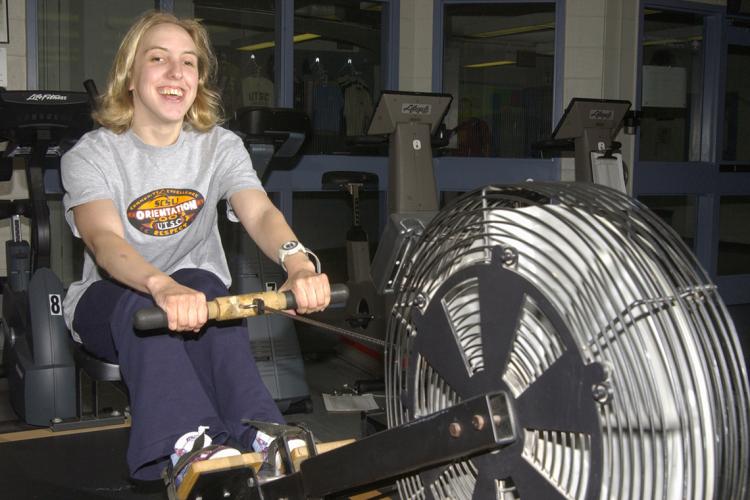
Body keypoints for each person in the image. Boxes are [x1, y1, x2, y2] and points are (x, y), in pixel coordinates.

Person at [60, 10, 331, 483]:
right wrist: (160, 286)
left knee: (206, 285)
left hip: (193, 296)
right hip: (111, 303)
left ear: (199, 78)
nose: (175, 73)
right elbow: (104, 242)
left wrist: (299, 262)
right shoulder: (91, 154)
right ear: (129, 74)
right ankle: (189, 442)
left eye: (188, 62)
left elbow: (260, 211)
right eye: (158, 58)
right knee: (147, 305)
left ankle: (258, 432)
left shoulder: (219, 146)